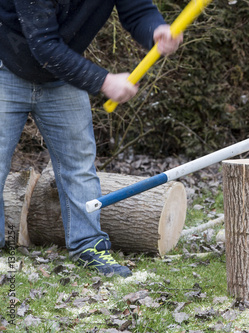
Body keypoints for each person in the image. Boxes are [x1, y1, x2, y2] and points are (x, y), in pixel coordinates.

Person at [0, 0, 183, 277]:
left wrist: (155, 29)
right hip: (7, 65)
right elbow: (43, 44)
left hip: (60, 74)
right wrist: (104, 81)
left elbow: (138, 10)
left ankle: (89, 246)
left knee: (79, 165)